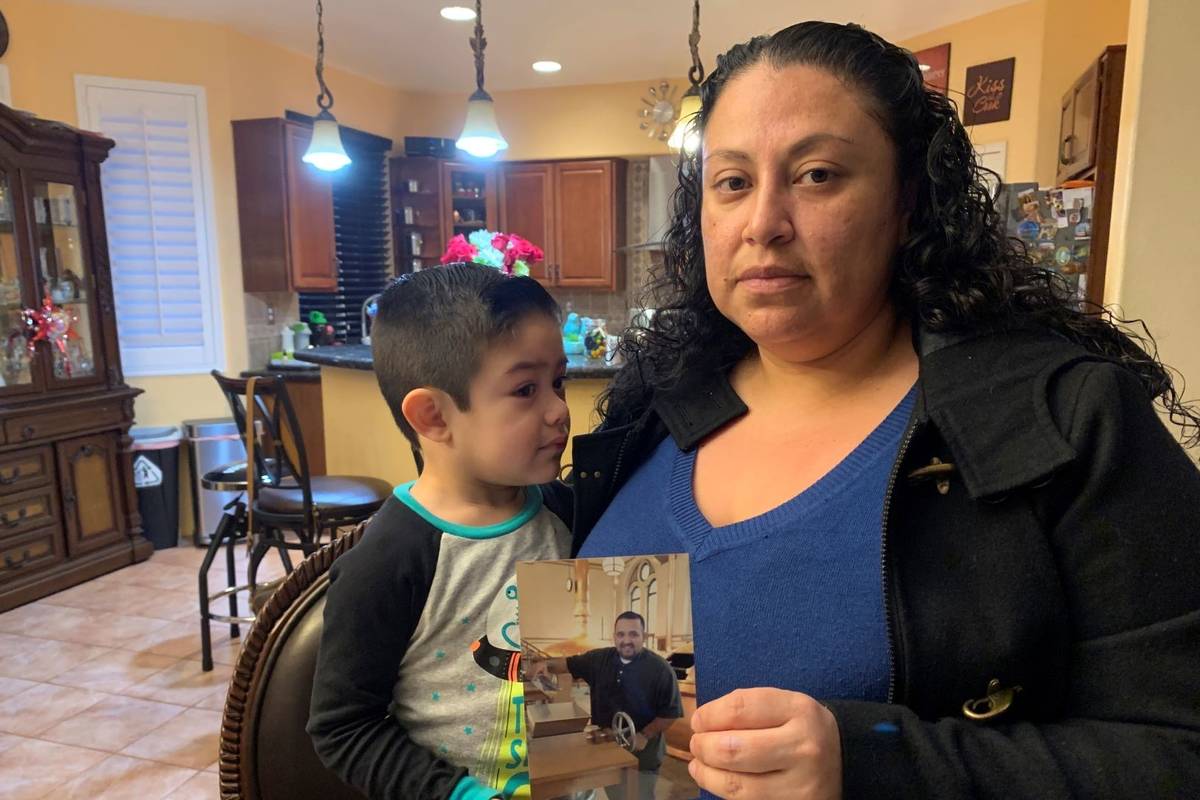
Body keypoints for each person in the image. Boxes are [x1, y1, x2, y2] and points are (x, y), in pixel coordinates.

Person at [569, 20, 1200, 800]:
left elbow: (1176, 754)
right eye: (732, 182)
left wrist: (872, 763)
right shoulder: (654, 407)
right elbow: (602, 748)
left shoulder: (1066, 419)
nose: (763, 222)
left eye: (818, 174)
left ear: (907, 201)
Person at [308, 264, 574, 800]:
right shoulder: (389, 561)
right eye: (527, 389)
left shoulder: (570, 513)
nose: (559, 410)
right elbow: (342, 727)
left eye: (558, 382)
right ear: (433, 416)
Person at [529, 611, 683, 800]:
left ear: (643, 636)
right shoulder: (599, 659)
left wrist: (645, 734)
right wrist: (546, 664)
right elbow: (568, 664)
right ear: (614, 637)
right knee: (616, 794)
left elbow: (670, 713)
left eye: (633, 634)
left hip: (642, 754)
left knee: (638, 795)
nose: (626, 640)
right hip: (606, 747)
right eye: (621, 634)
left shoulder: (660, 669)